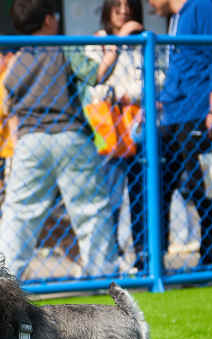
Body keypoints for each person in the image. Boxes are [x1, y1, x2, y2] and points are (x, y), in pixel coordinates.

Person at [0, 0, 120, 279]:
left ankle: (4, 279)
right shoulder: (63, 45)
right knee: (90, 210)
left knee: (19, 214)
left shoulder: (19, 59)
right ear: (49, 21)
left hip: (30, 141)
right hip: (69, 135)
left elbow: (9, 94)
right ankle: (103, 275)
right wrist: (112, 51)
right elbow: (94, 74)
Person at [148, 0, 212, 267]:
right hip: (172, 114)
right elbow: (180, 66)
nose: (149, 4)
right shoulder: (176, 18)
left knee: (203, 188)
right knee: (160, 184)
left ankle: (209, 260)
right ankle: (156, 259)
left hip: (197, 113)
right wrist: (159, 101)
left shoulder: (203, 7)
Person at [86, 0, 147, 272]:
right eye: (118, 5)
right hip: (111, 130)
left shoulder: (144, 41)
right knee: (110, 199)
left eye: (129, 5)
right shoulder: (97, 42)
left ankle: (145, 257)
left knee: (142, 197)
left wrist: (130, 94)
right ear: (107, 8)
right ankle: (110, 259)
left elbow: (156, 80)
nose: (124, 11)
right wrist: (120, 41)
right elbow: (95, 87)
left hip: (140, 128)